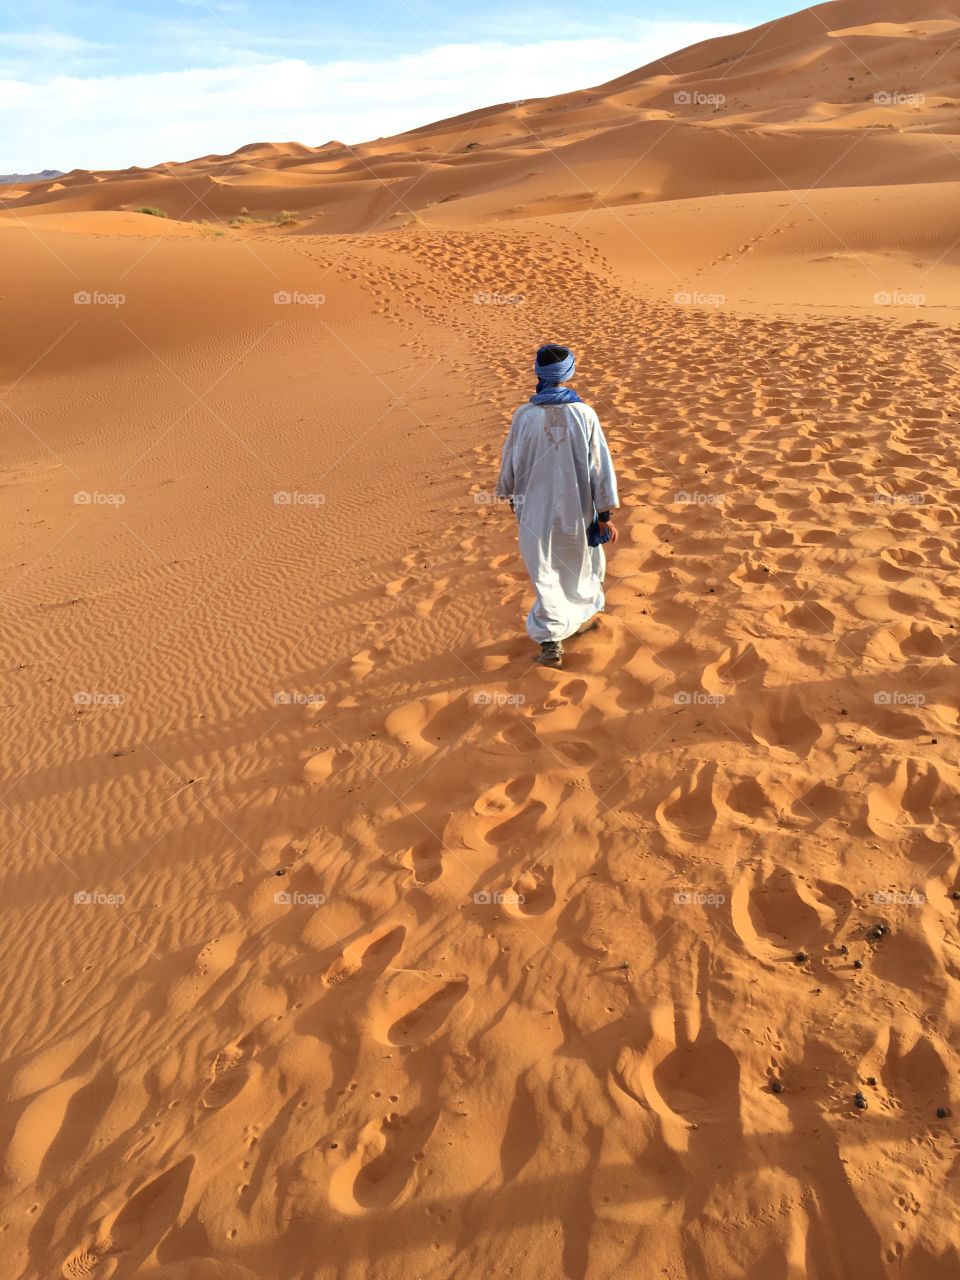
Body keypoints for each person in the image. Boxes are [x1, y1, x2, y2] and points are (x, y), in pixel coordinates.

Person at [496, 343, 619, 669]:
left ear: (539, 372)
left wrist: (510, 496)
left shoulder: (524, 416)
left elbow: (510, 460)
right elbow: (599, 467)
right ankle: (575, 623)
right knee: (580, 566)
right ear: (569, 373)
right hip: (578, 512)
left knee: (544, 571)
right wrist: (604, 514)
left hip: (535, 512)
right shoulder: (584, 414)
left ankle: (553, 639)